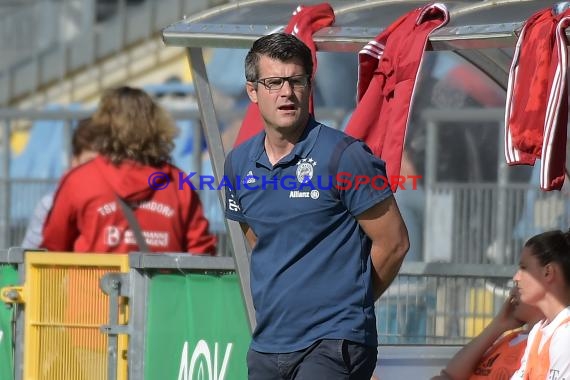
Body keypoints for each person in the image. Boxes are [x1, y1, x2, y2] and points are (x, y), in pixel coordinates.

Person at [223, 33, 409, 379]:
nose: (286, 93)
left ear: (309, 86)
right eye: (274, 82)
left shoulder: (346, 157)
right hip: (269, 344)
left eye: (296, 81)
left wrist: (351, 303)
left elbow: (394, 243)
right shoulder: (238, 163)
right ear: (253, 91)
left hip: (333, 342)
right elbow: (259, 242)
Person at [41, 86, 216, 254]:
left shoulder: (79, 181)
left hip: (92, 285)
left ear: (103, 125)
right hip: (162, 285)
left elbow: (53, 247)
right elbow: (201, 254)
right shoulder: (178, 183)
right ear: (156, 125)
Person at [21, 117, 101, 249]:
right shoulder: (49, 205)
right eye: (90, 163)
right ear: (74, 161)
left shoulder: (127, 206)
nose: (97, 171)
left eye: (105, 164)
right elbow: (25, 260)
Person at [432, 288, 543, 380]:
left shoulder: (543, 344)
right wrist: (497, 326)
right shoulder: (510, 339)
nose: (512, 292)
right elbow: (449, 376)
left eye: (519, 285)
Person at [510, 229, 570, 379]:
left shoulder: (566, 335)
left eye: (524, 268)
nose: (516, 277)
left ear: (548, 272)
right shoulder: (539, 330)